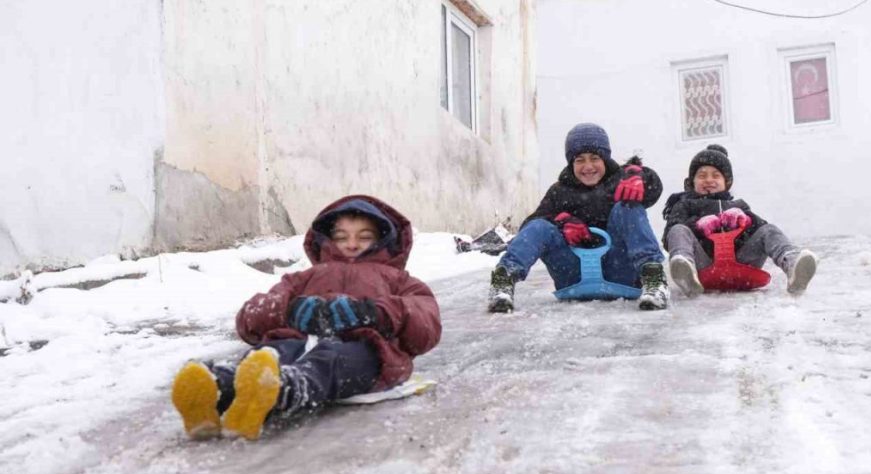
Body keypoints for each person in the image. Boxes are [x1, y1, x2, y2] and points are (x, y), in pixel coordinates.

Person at [170, 195, 442, 440]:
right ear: (327, 239)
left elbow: (426, 322)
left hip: (366, 351)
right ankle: (218, 387)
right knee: (272, 351)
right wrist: (287, 311)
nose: (351, 244)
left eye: (364, 236)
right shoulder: (303, 278)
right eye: (341, 236)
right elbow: (248, 319)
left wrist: (378, 313)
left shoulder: (397, 279)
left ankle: (280, 388)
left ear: (383, 239)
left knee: (330, 361)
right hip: (298, 339)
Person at [488, 122, 669, 312]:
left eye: (594, 158)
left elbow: (653, 188)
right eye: (579, 160)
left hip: (620, 271)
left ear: (605, 160)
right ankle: (504, 280)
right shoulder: (560, 191)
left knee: (629, 206)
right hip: (573, 273)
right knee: (540, 226)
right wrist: (561, 221)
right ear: (571, 163)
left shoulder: (621, 181)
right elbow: (532, 225)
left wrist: (641, 177)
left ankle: (653, 279)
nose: (588, 166)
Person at [662, 144, 817, 298]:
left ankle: (792, 264)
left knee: (768, 230)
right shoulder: (684, 205)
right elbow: (669, 236)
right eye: (702, 176)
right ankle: (685, 271)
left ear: (726, 182)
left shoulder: (738, 206)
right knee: (678, 230)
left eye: (716, 175)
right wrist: (697, 225)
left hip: (741, 263)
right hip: (704, 266)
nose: (709, 180)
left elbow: (761, 230)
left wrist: (747, 220)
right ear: (692, 182)